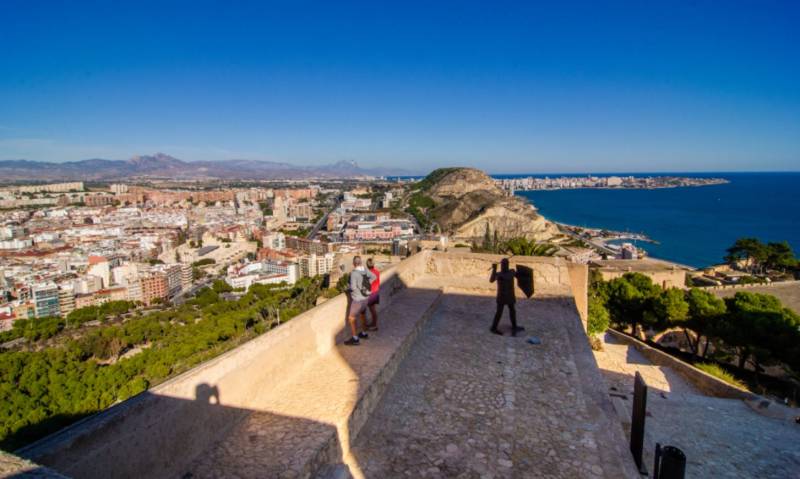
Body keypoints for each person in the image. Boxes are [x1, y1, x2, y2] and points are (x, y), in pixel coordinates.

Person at [345, 256, 376, 346]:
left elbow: (353, 287)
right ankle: (363, 333)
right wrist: (366, 285)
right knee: (362, 315)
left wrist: (349, 287)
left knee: (351, 318)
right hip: (365, 298)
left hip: (357, 300)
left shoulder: (354, 273)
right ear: (361, 263)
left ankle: (355, 338)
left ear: (354, 264)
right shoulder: (365, 270)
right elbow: (374, 277)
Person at [489, 258, 525, 336]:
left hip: (510, 295)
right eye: (503, 264)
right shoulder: (499, 274)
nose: (504, 266)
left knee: (512, 310)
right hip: (501, 296)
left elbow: (519, 275)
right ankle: (493, 328)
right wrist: (494, 269)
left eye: (506, 264)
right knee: (499, 312)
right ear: (501, 265)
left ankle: (514, 326)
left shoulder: (511, 272)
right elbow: (491, 280)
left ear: (508, 265)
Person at [365, 258, 381, 331]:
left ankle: (374, 325)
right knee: (373, 309)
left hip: (371, 294)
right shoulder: (377, 272)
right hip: (376, 292)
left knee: (372, 310)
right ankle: (373, 323)